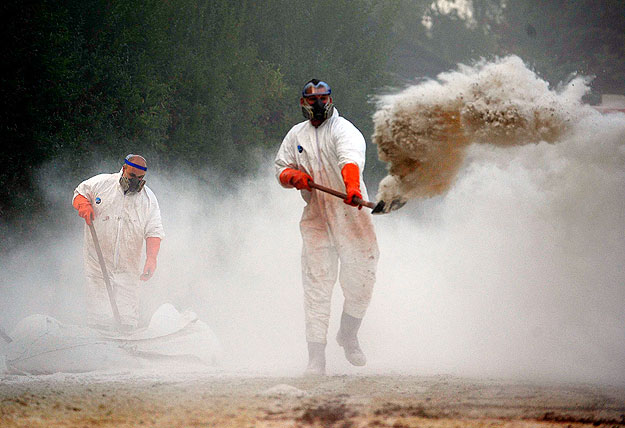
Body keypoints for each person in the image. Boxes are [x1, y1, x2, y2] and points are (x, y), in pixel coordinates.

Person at [275, 79, 379, 375]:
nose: (319, 104)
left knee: (362, 278)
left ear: (331, 99)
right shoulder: (296, 135)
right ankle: (316, 358)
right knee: (317, 286)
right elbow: (280, 167)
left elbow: (350, 161)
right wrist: (294, 177)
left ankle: (348, 335)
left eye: (323, 98)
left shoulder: (345, 131)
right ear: (303, 103)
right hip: (317, 217)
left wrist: (351, 188)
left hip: (351, 212)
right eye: (313, 99)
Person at [72, 154, 165, 330]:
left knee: (126, 321)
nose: (135, 182)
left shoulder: (148, 200)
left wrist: (151, 258)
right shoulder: (101, 184)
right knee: (98, 318)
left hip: (128, 269)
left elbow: (154, 231)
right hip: (97, 263)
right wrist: (84, 205)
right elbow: (79, 193)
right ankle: (97, 348)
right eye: (131, 176)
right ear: (123, 169)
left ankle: (124, 349)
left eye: (140, 178)